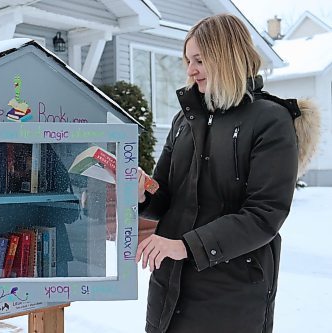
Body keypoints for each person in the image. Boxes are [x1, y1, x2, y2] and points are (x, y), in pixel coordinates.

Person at [135, 14, 320, 333]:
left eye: (199, 60)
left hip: (230, 297)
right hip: (169, 291)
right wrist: (142, 191)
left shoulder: (270, 121)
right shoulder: (185, 121)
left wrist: (185, 246)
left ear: (226, 56)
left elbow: (264, 215)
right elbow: (166, 195)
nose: (190, 70)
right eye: (187, 61)